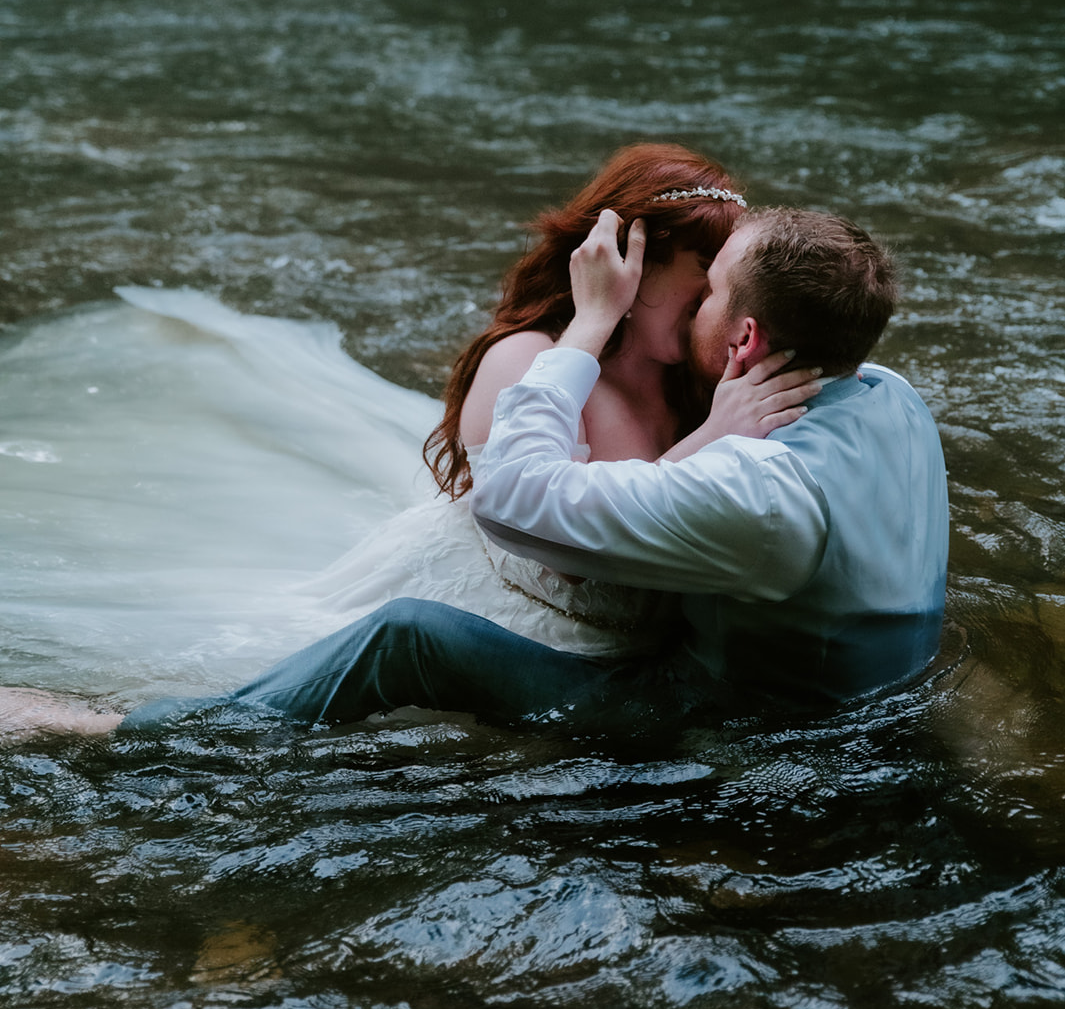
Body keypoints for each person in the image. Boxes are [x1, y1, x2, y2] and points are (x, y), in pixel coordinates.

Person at [3, 143, 809, 738]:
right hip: (509, 623)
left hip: (625, 661)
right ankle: (119, 731)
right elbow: (566, 538)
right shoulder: (528, 363)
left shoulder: (698, 379)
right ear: (628, 263)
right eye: (701, 279)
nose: (718, 305)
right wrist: (688, 416)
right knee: (276, 727)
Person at [123, 199, 947, 735]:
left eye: (708, 295)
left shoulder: (761, 495)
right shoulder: (889, 396)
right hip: (873, 699)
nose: (691, 303)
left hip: (720, 730)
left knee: (409, 635)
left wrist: (586, 329)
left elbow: (511, 499)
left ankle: (168, 736)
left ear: (745, 342)